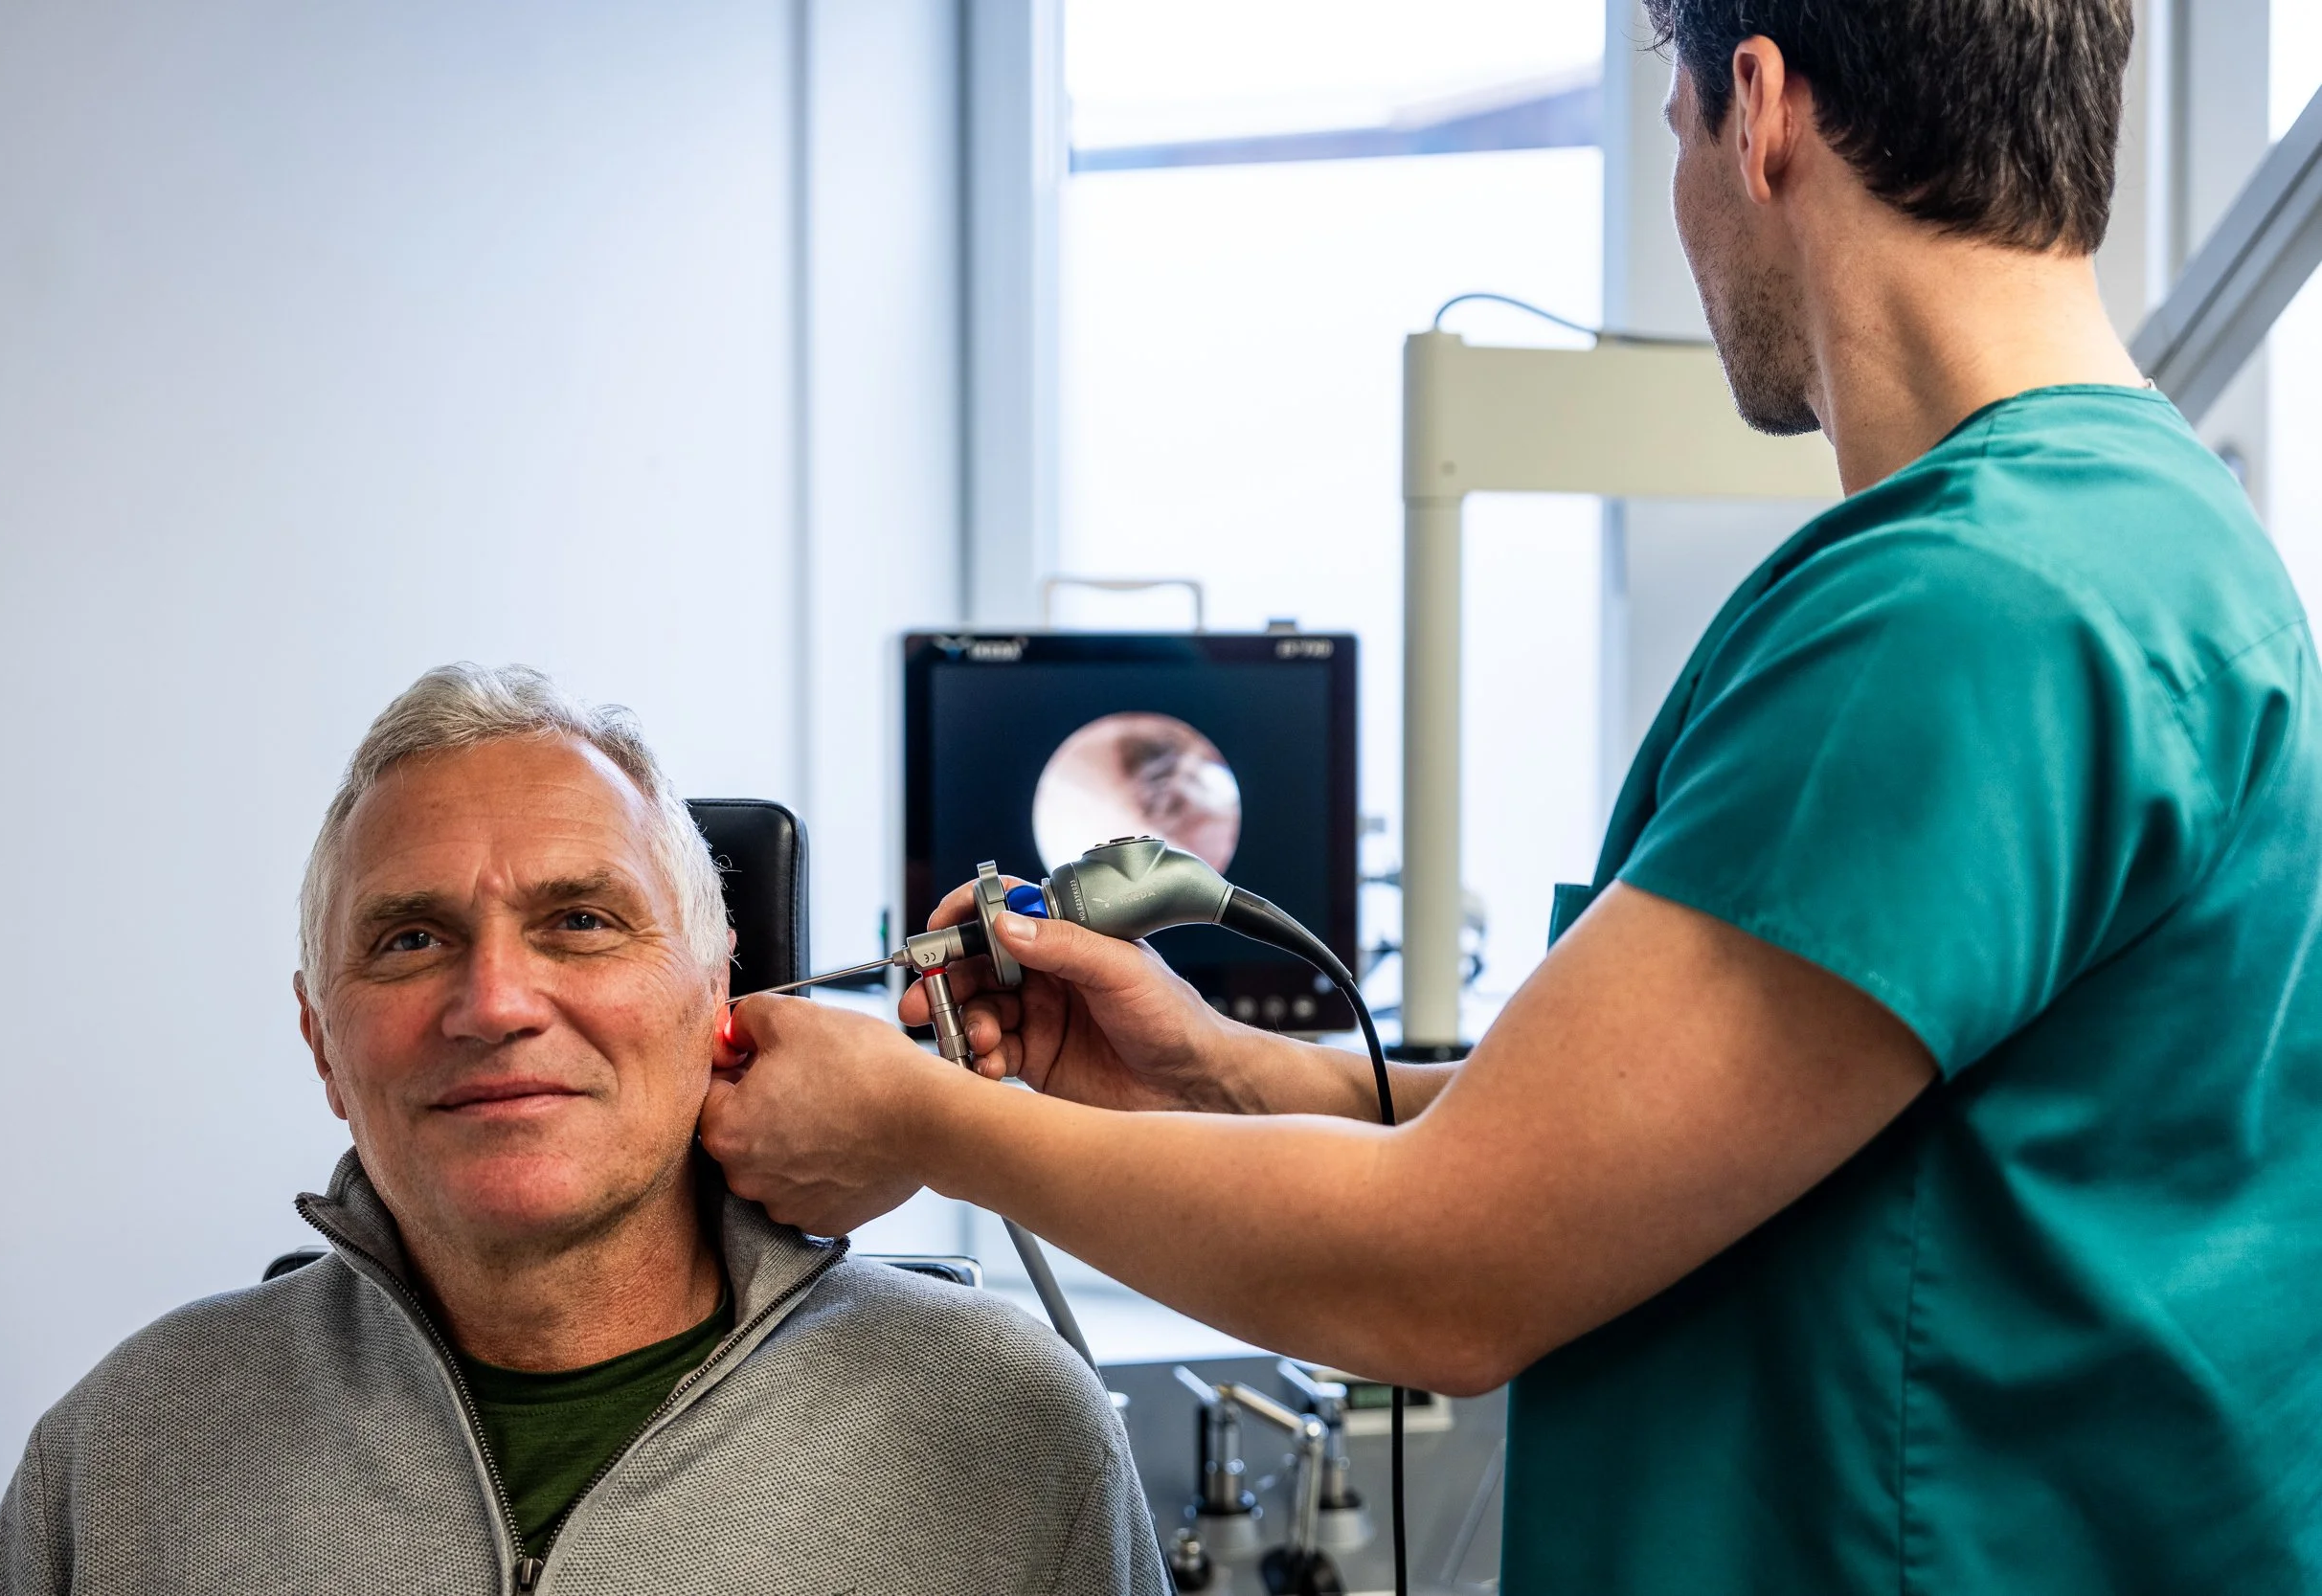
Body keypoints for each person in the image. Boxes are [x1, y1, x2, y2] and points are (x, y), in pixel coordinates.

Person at [702, 1, 2322, 1590]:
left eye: (1674, 129)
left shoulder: (1965, 612)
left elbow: (1449, 1267)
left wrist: (923, 1121)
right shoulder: (2156, 540)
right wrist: (1205, 1071)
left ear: (1754, 110)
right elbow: (1585, 1144)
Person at [0, 663, 1161, 1596]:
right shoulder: (121, 1456)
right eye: (408, 938)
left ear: (716, 998)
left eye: (583, 920)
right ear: (319, 1038)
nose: (493, 1002)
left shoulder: (1010, 1433)